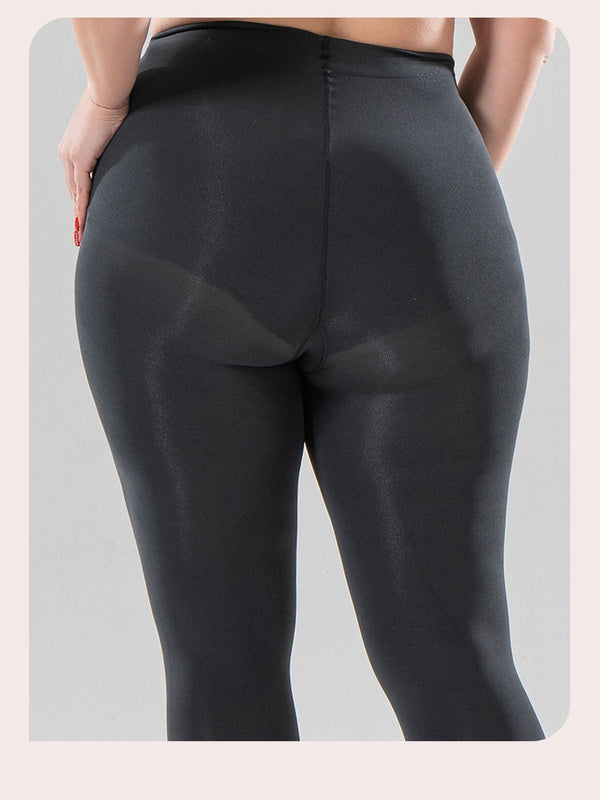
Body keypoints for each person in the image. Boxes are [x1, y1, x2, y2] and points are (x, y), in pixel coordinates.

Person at [58, 17, 556, 741]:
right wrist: (427, 200)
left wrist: (104, 98)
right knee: (456, 658)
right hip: (417, 167)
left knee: (220, 670)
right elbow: (524, 35)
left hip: (188, 184)